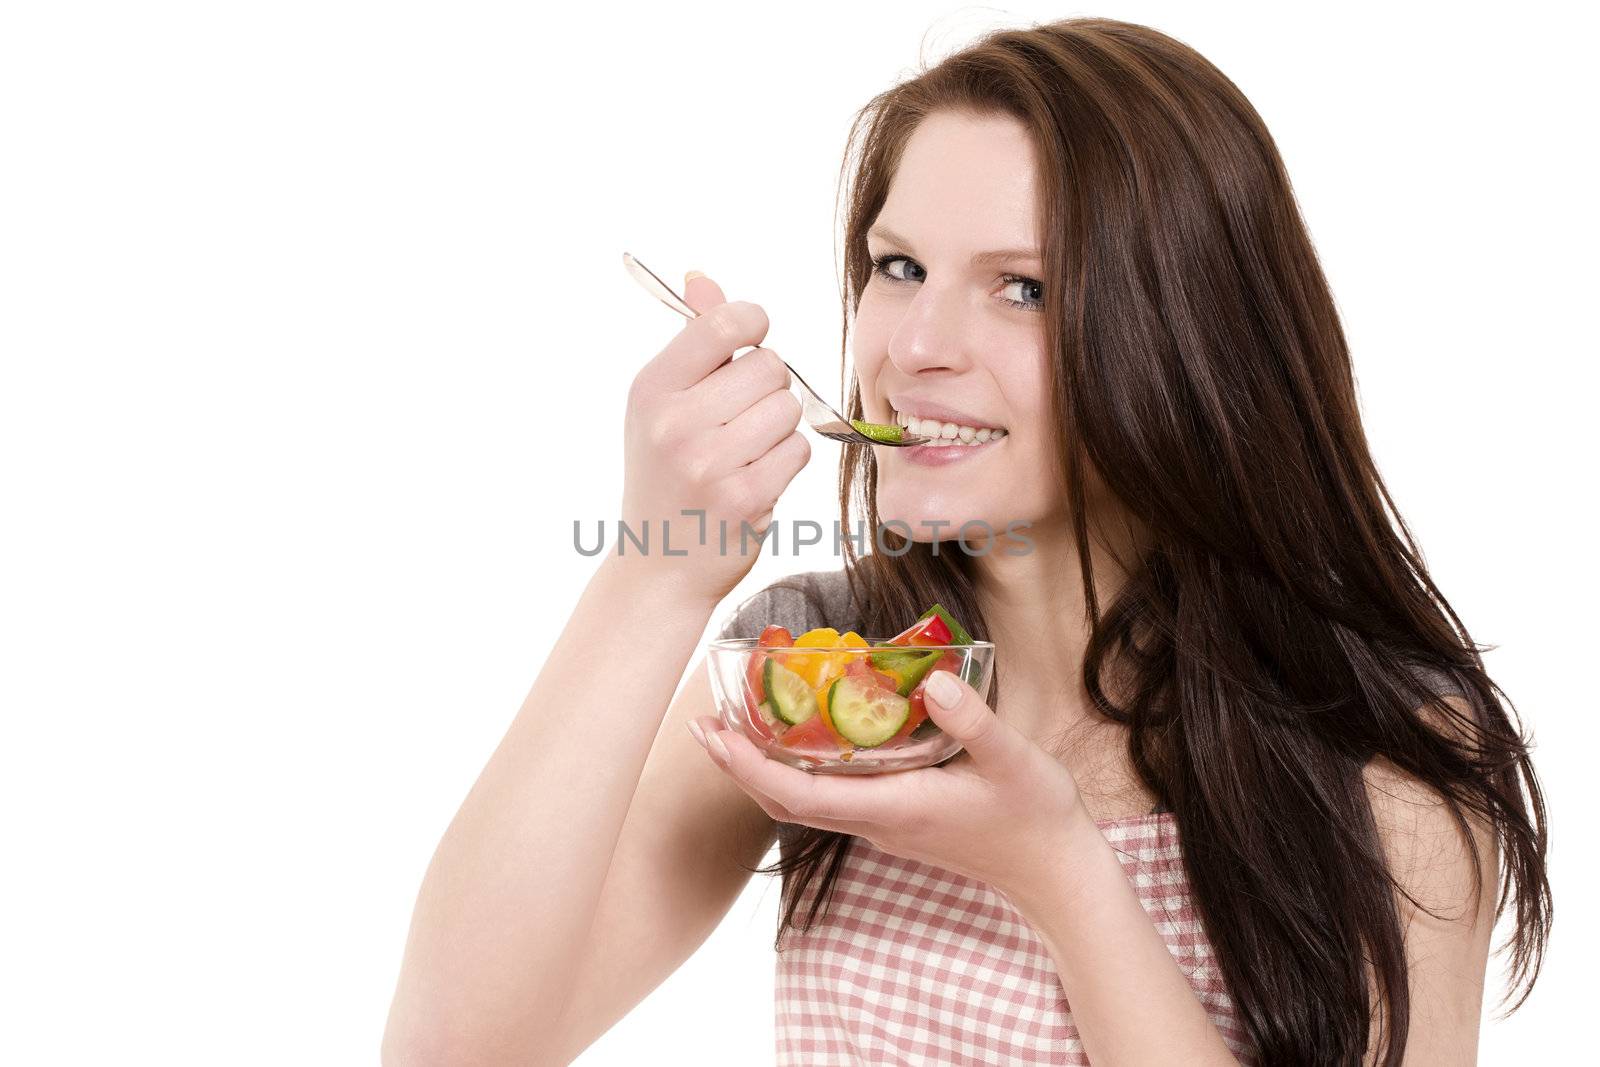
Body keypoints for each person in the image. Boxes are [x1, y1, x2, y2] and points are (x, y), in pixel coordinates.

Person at [381, 16, 1550, 1066]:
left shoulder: (1376, 758)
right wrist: (654, 573)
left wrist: (1059, 873)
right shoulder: (822, 665)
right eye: (900, 268)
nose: (917, 343)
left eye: (1023, 289)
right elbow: (453, 1049)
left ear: (1188, 339)